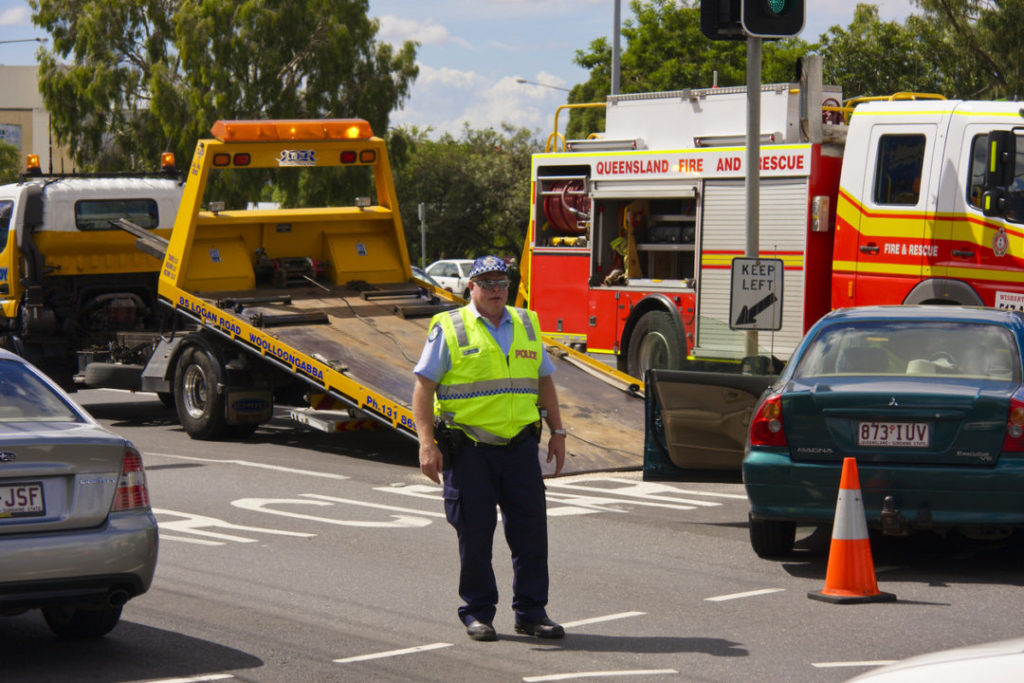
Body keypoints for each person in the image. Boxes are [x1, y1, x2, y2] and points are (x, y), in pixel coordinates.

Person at [412, 254, 567, 642]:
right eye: (488, 283)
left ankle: (532, 612)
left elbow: (544, 381)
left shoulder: (526, 323)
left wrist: (559, 431)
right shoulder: (450, 327)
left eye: (503, 283)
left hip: (520, 450)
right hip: (470, 451)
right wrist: (426, 444)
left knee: (531, 535)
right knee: (476, 536)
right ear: (472, 288)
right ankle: (477, 612)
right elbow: (423, 387)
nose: (497, 290)